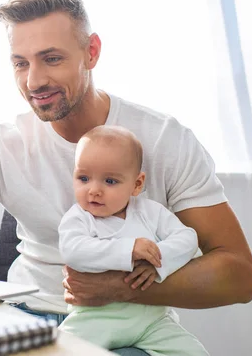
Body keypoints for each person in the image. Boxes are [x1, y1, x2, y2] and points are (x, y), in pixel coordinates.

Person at [0, 0, 252, 354]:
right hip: (29, 317)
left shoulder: (165, 141)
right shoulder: (4, 145)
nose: (34, 81)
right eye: (21, 63)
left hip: (132, 326)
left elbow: (239, 276)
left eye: (51, 59)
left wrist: (117, 287)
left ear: (91, 52)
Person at [57, 125, 208, 355]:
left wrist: (158, 261)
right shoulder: (78, 218)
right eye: (84, 178)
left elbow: (188, 238)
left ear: (137, 184)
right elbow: (73, 251)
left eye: (110, 181)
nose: (94, 190)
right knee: (60, 351)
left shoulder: (150, 212)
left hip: (153, 321)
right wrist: (130, 249)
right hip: (95, 320)